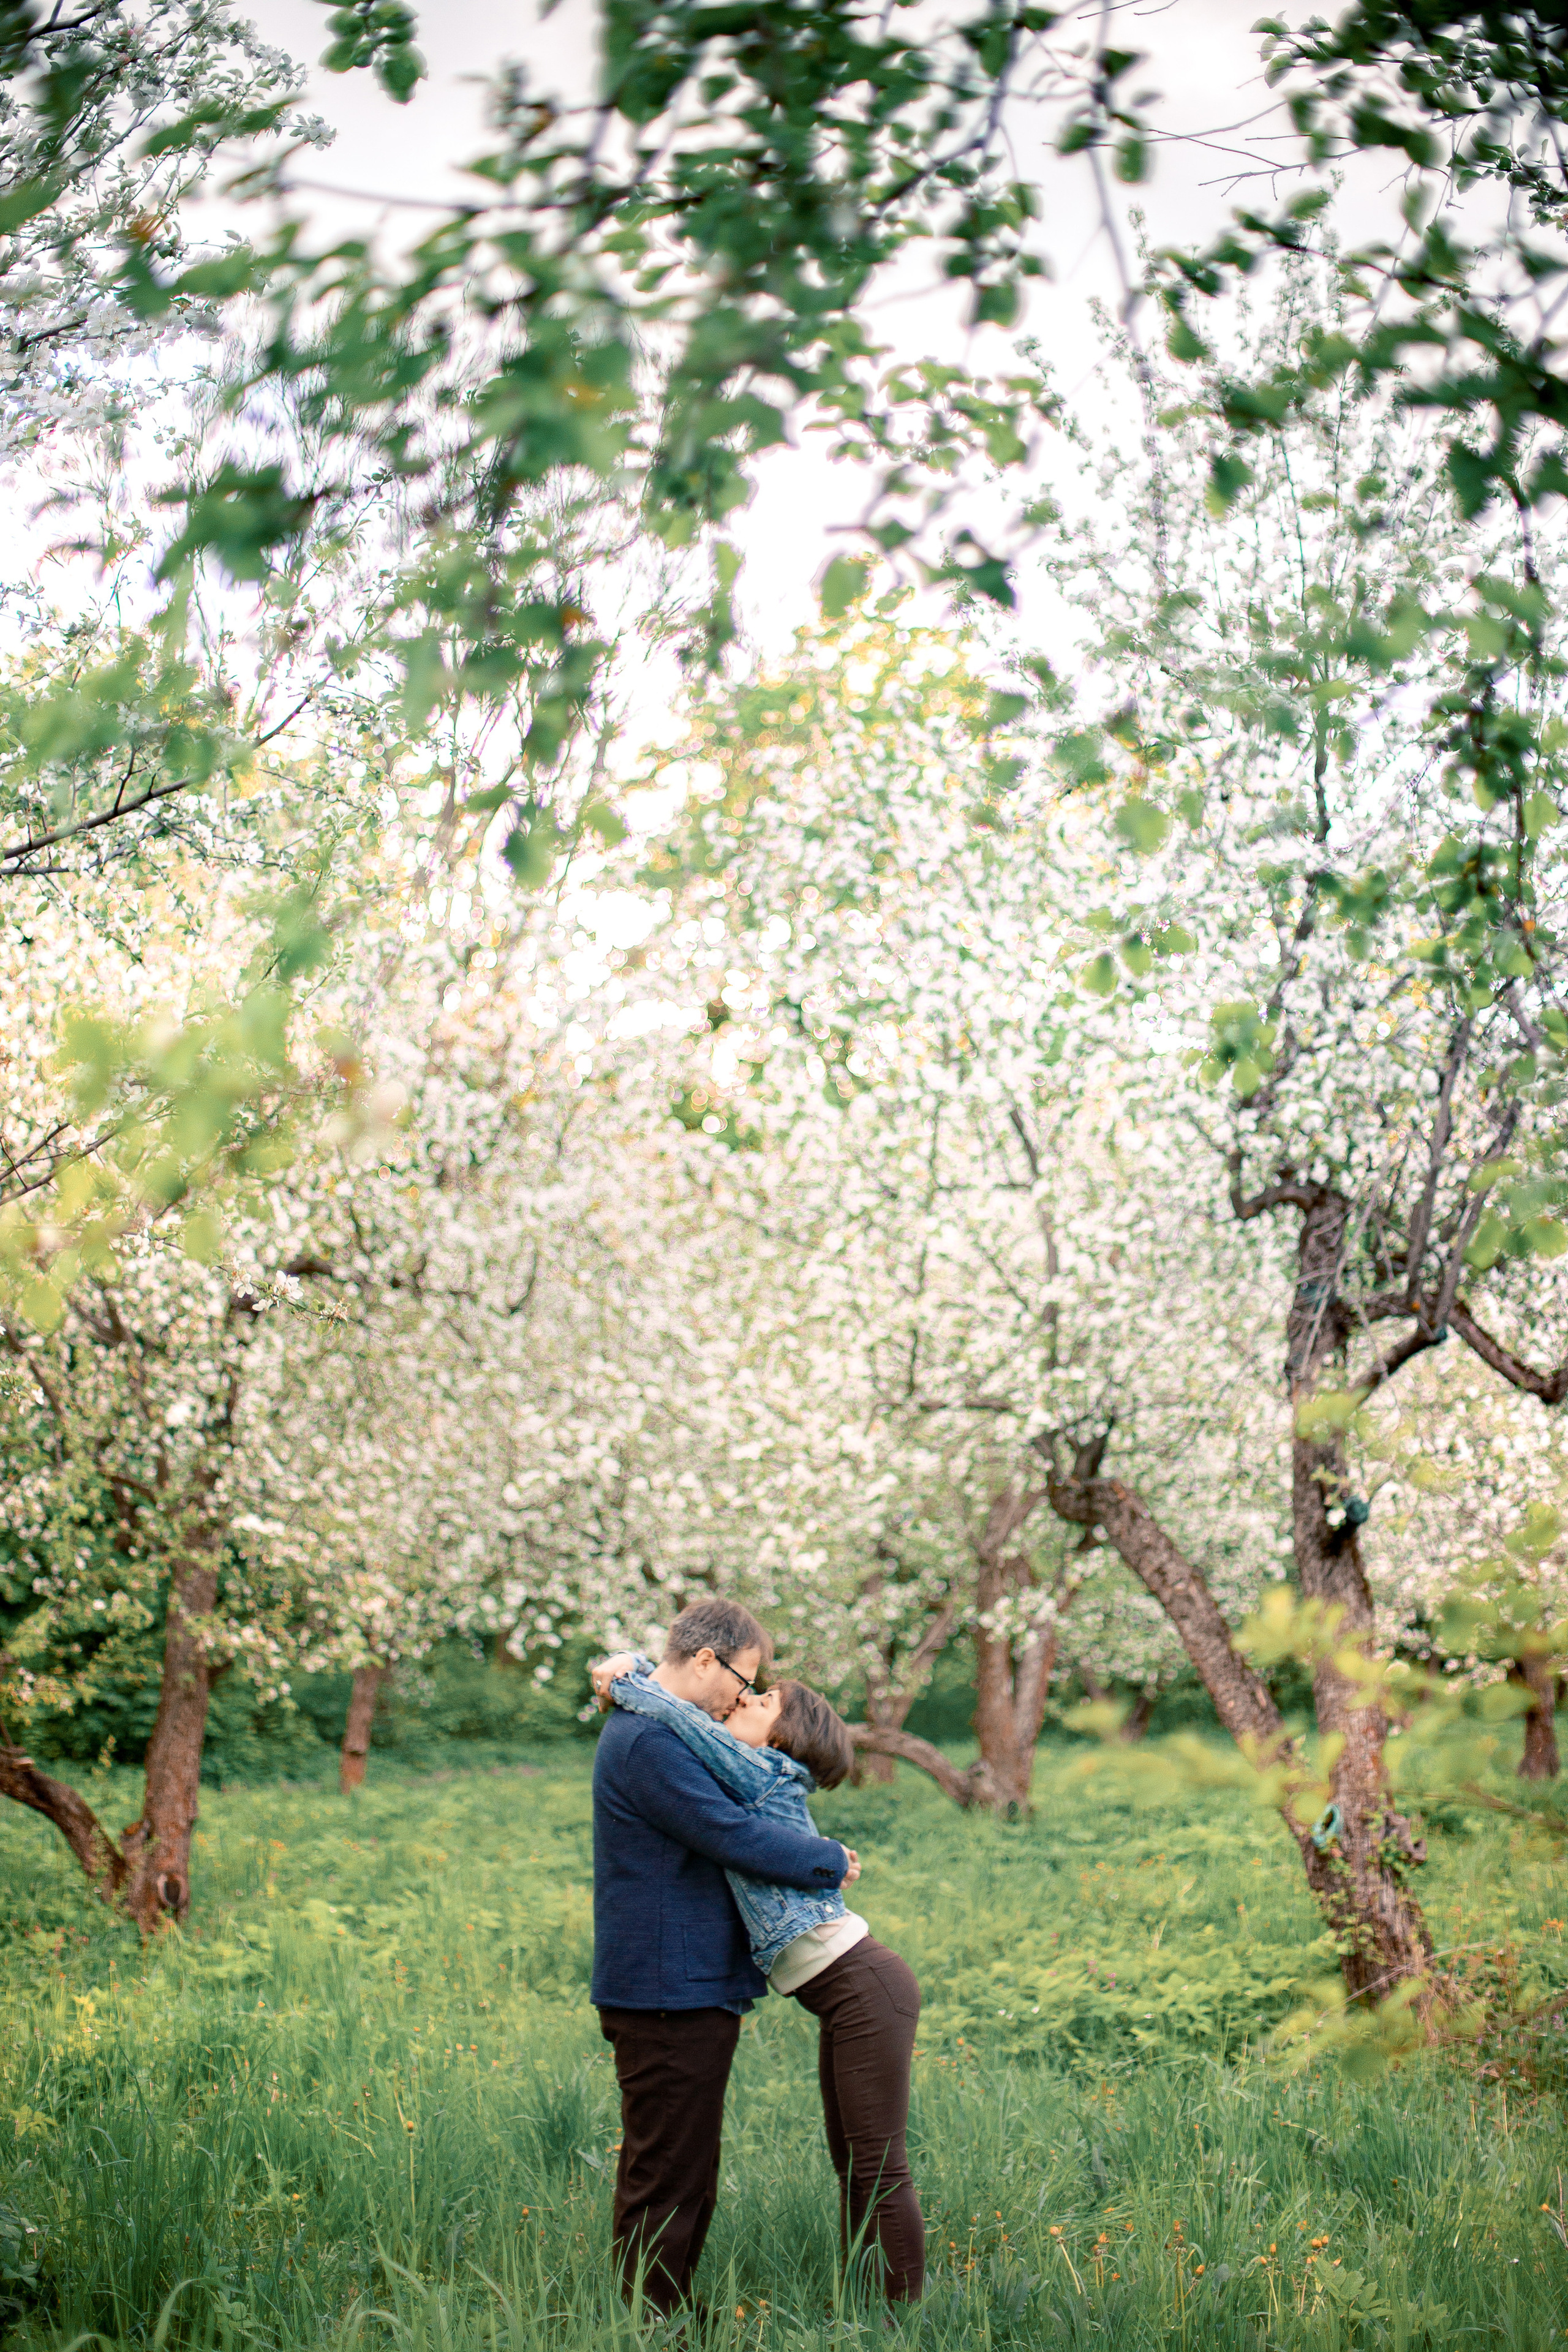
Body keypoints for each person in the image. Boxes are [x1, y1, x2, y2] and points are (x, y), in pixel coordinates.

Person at [592, 1647, 926, 2305]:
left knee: (877, 2170)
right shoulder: (746, 1764)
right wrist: (628, 1661)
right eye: (749, 1689)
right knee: (857, 2164)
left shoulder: (761, 1772)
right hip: (851, 1994)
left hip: (866, 1987)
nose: (745, 1699)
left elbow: (681, 1716)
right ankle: (870, 2307)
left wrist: (628, 1677)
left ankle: (898, 2318)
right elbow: (687, 1687)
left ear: (781, 1739)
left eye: (763, 1701)